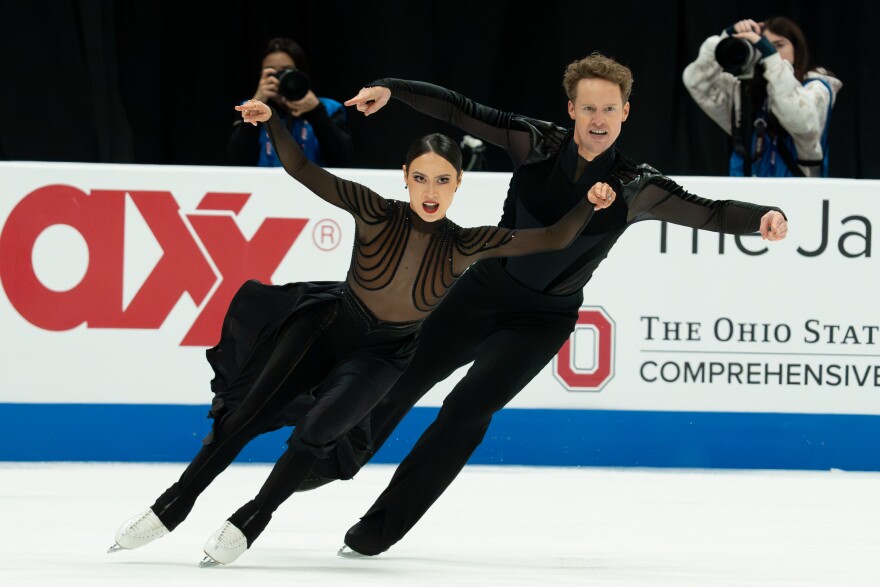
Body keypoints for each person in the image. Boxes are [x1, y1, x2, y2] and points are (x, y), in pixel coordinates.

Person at [298, 52, 788, 558]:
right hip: (482, 292)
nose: (599, 120)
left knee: (466, 411)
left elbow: (708, 213)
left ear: (625, 112)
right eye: (589, 108)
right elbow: (460, 111)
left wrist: (762, 217)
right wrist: (392, 88)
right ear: (572, 109)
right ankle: (329, 461)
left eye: (610, 109)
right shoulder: (534, 142)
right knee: (400, 375)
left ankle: (378, 530)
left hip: (542, 321)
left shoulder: (637, 187)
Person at [108, 96, 615, 566]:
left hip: (385, 355)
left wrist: (589, 204)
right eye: (421, 179)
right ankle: (169, 507)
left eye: (442, 181)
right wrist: (275, 123)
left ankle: (252, 519)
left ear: (458, 183)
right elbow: (305, 169)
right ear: (405, 177)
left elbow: (552, 237)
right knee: (243, 416)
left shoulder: (467, 243)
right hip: (328, 327)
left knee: (316, 435)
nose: (431, 192)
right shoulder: (375, 211)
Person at [683, 17, 842, 177]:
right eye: (765, 45)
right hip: (746, 192)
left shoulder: (817, 88)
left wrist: (773, 60)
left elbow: (800, 121)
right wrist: (725, 39)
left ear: (797, 48)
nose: (770, 50)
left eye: (779, 45)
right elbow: (697, 82)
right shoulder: (744, 91)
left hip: (796, 193)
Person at [227, 37, 354, 167]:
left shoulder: (329, 108)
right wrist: (254, 109)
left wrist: (316, 111)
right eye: (272, 72)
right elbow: (237, 161)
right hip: (263, 186)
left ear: (301, 73)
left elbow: (343, 160)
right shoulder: (247, 108)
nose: (280, 78)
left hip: (315, 186)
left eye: (286, 71)